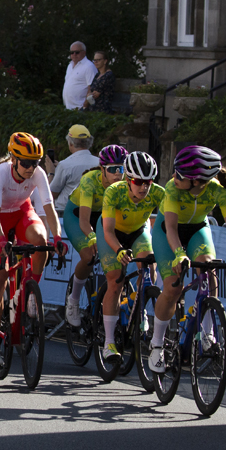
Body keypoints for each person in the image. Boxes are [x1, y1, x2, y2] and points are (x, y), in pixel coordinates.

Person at [148, 145, 226, 373]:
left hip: (197, 228)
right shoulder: (173, 189)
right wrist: (179, 255)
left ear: (199, 181)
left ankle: (208, 332)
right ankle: (156, 343)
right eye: (175, 172)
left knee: (209, 271)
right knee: (172, 288)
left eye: (181, 175)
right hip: (168, 231)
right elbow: (172, 229)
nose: (174, 177)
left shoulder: (217, 191)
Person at [0, 132, 66, 368]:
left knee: (41, 241)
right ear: (13, 159)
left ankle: (30, 291)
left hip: (21, 212)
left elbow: (49, 209)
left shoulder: (38, 174)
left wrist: (58, 236)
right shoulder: (1, 173)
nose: (31, 168)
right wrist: (1, 240)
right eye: (26, 163)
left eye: (36, 162)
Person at [97, 151, 165, 365]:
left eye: (148, 182)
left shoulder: (159, 194)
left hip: (138, 231)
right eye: (138, 182)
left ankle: (141, 306)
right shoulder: (114, 192)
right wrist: (118, 250)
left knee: (149, 263)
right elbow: (107, 231)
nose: (144, 187)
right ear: (128, 179)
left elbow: (169, 226)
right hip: (112, 232)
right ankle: (109, 343)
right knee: (115, 281)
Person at [62, 145, 127, 327]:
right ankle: (73, 299)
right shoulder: (90, 180)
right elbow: (84, 221)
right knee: (89, 256)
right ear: (102, 169)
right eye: (112, 169)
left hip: (102, 217)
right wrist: (92, 237)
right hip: (77, 215)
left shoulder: (124, 185)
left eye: (121, 169)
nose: (117, 174)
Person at [48, 124, 98, 214]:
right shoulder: (99, 163)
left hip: (65, 213)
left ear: (70, 143)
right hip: (93, 211)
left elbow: (51, 194)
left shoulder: (65, 165)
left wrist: (51, 173)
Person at [62, 41, 97, 111]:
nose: (74, 54)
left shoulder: (89, 66)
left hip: (80, 108)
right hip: (68, 108)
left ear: (84, 52)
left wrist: (85, 106)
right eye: (72, 52)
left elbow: (92, 87)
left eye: (77, 52)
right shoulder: (70, 65)